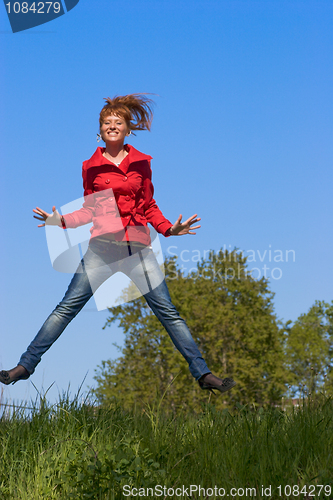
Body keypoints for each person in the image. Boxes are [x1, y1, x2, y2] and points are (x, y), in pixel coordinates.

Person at [0, 94, 236, 396]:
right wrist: (61, 222)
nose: (112, 126)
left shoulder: (141, 163)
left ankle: (203, 374)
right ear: (100, 131)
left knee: (168, 313)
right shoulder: (91, 167)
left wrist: (168, 229)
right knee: (65, 309)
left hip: (138, 248)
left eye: (118, 123)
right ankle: (25, 366)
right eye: (106, 123)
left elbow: (149, 204)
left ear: (127, 130)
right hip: (103, 247)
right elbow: (89, 209)